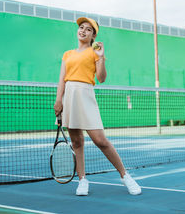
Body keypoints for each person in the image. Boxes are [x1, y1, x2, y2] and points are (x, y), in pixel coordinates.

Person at [54, 17, 142, 196]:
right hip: (69, 95)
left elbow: (101, 78)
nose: (83, 31)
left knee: (101, 141)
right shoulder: (67, 54)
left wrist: (101, 58)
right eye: (81, 27)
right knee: (77, 142)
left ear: (93, 35)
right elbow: (62, 79)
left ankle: (126, 176)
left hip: (86, 94)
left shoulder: (95, 52)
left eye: (88, 29)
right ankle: (82, 180)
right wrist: (58, 100)